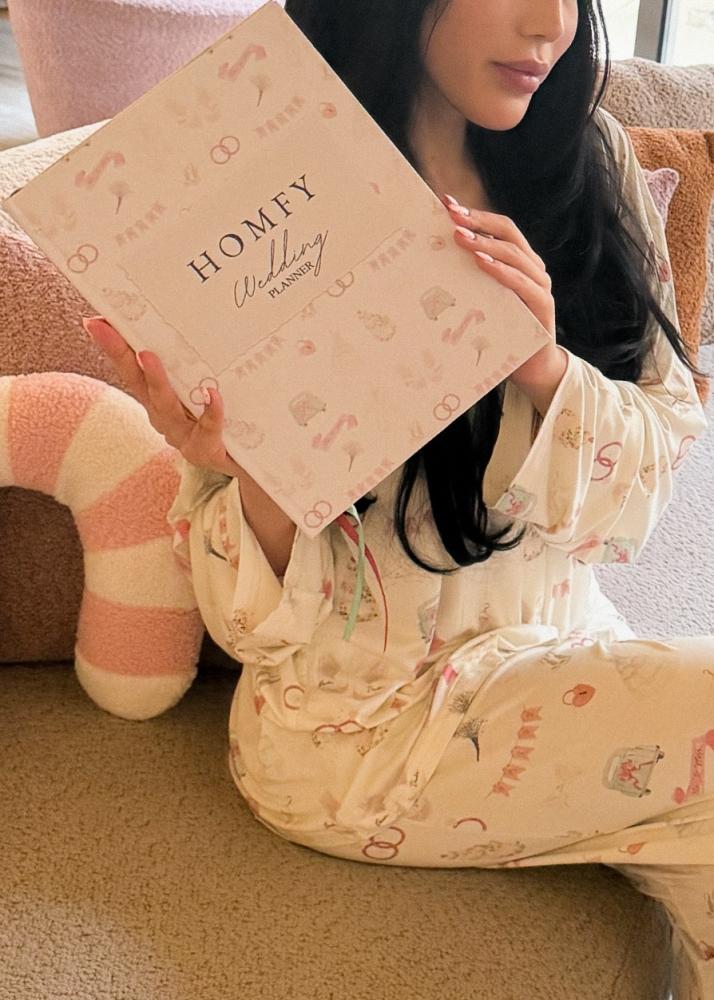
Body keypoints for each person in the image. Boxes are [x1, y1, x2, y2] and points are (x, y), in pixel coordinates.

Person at [84, 0, 714, 995]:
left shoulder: (586, 156)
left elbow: (655, 466)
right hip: (362, 734)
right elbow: (251, 628)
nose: (550, 23)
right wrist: (254, 467)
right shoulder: (269, 178)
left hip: (561, 638)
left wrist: (543, 368)